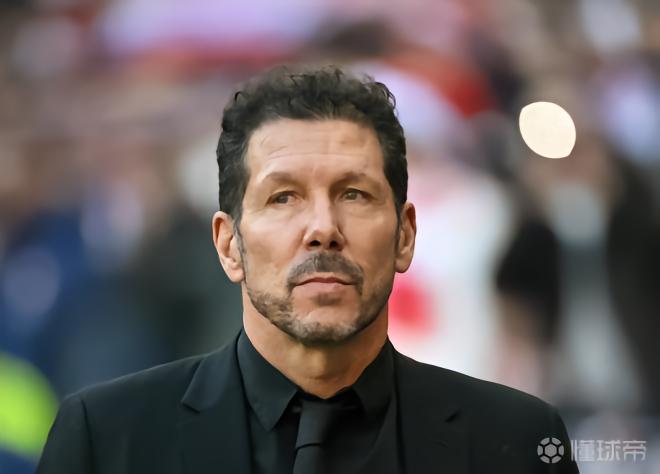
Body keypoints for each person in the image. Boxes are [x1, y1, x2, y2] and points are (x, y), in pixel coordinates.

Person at [37, 65, 579, 474]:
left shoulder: (518, 441)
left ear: (405, 236)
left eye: (354, 193)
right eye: (283, 197)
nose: (323, 227)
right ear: (228, 245)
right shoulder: (106, 439)